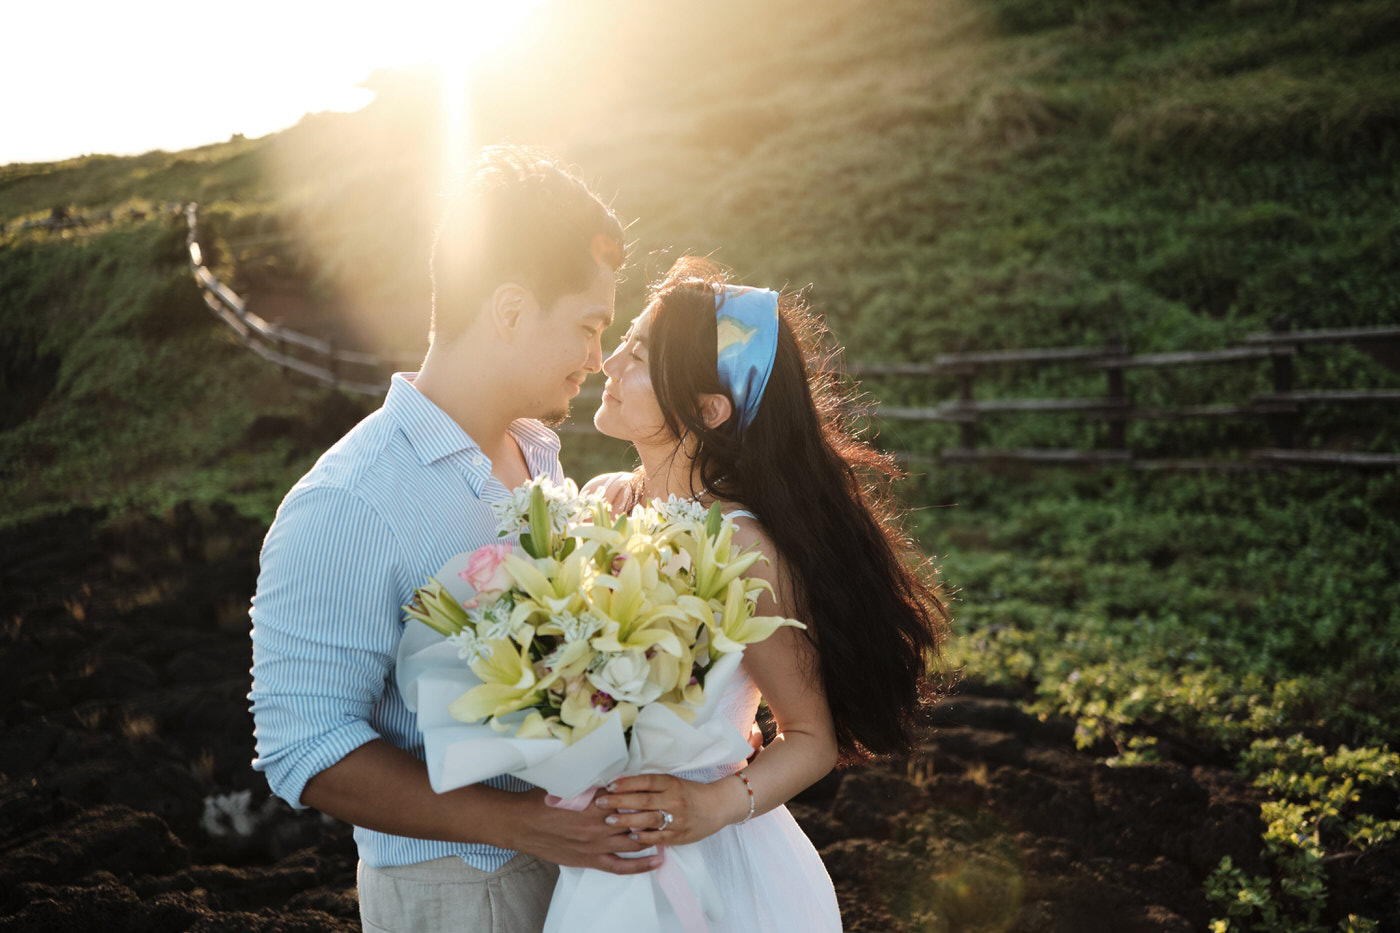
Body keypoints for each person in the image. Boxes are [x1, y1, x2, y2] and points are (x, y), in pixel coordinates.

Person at [248, 145, 658, 933]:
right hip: (461, 892)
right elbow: (304, 744)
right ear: (508, 310)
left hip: (577, 873)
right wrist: (517, 824)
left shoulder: (540, 453)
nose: (596, 358)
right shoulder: (348, 500)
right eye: (587, 326)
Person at [582, 256, 950, 931]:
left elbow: (811, 734)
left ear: (707, 408)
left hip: (715, 866)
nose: (608, 362)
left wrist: (714, 804)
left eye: (637, 355)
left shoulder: (741, 546)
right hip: (594, 849)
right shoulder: (600, 500)